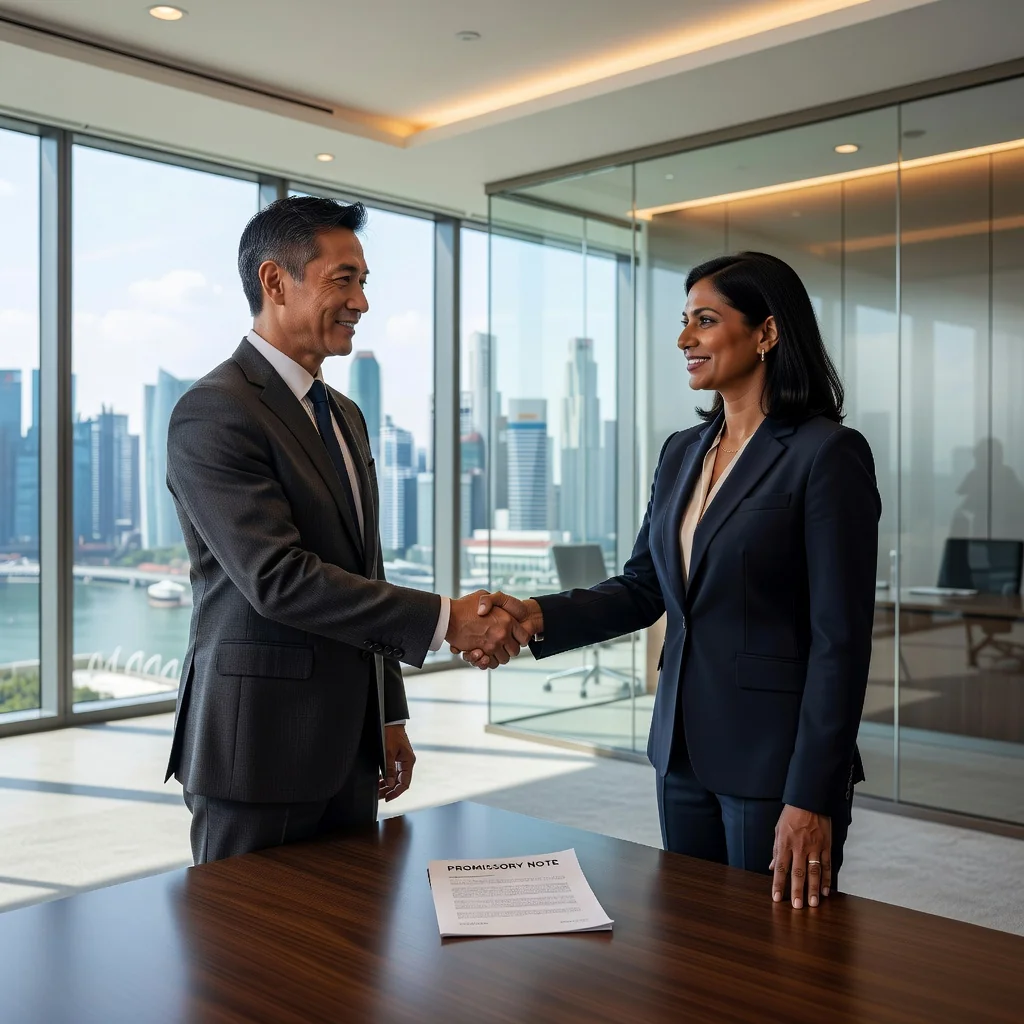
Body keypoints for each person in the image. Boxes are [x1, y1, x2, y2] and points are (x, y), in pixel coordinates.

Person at [465, 252, 880, 909]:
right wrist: (532, 615)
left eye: (706, 321)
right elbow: (643, 587)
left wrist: (812, 792)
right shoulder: (681, 453)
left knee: (778, 961)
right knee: (690, 944)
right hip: (680, 749)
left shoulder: (825, 454)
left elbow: (842, 641)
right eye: (684, 321)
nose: (685, 338)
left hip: (775, 760)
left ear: (766, 332)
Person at [165, 195, 527, 864]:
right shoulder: (214, 411)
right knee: (248, 960)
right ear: (276, 282)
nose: (362, 302)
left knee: (351, 958)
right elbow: (277, 579)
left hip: (352, 750)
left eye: (364, 282)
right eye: (344, 279)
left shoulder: (346, 415)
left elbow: (365, 571)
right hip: (258, 755)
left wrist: (387, 712)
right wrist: (449, 619)